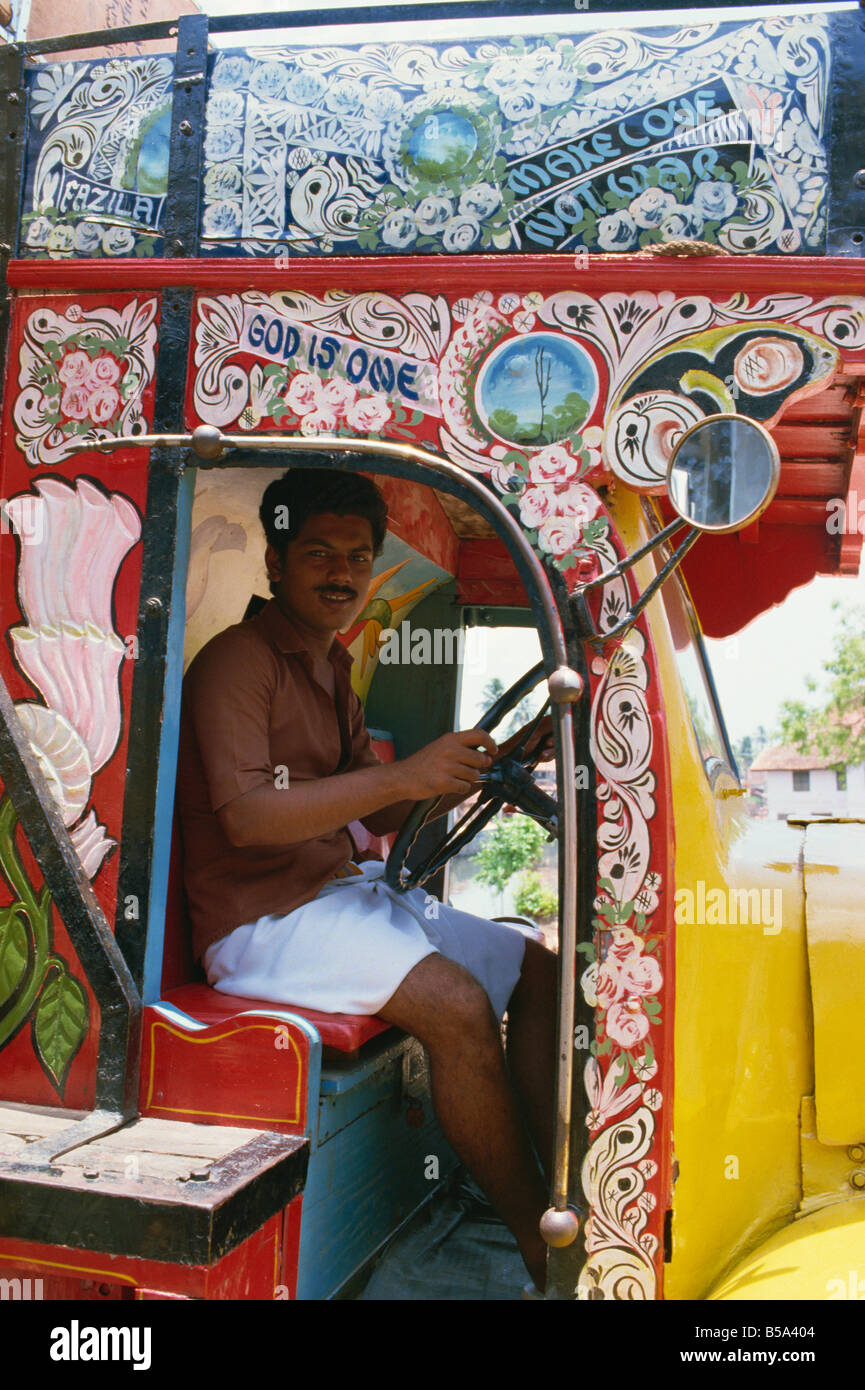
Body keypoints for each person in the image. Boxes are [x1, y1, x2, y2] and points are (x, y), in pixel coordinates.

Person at [176, 462, 557, 1291]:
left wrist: (478, 767)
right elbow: (246, 814)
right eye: (318, 554)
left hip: (338, 896)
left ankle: (554, 1185)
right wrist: (400, 776)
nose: (340, 573)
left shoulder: (330, 667)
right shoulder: (238, 663)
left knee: (539, 967)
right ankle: (540, 1247)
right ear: (276, 564)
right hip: (259, 924)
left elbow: (381, 816)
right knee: (455, 1006)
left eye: (356, 557)